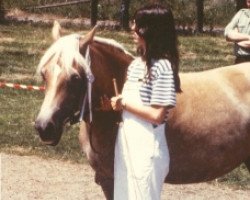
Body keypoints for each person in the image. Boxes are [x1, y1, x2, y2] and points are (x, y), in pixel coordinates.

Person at [110, 4, 181, 200]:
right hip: (127, 144)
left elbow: (157, 116)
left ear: (152, 30)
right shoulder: (135, 65)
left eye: (138, 25)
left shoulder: (163, 67)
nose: (132, 28)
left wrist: (124, 104)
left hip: (147, 147)